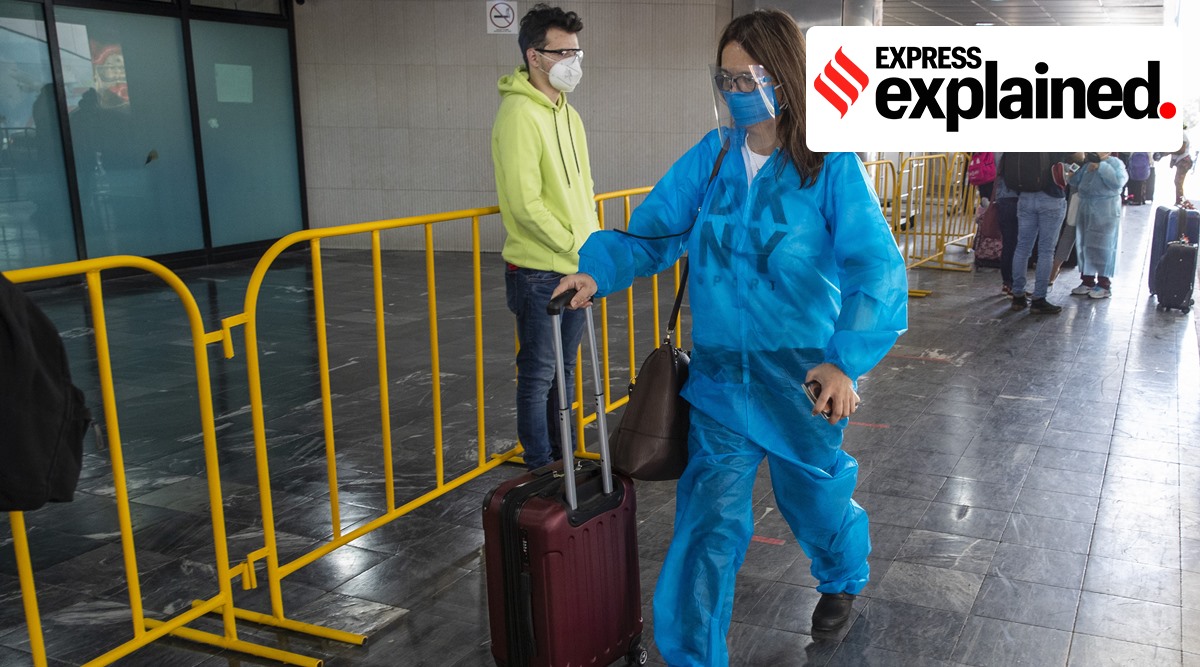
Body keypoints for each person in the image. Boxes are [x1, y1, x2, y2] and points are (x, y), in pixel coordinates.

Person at [553, 10, 908, 664]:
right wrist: (597, 271)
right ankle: (692, 655)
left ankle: (841, 576)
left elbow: (876, 268)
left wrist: (843, 361)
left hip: (803, 384)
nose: (739, 89)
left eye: (754, 76)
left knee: (815, 502)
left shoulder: (829, 167)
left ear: (788, 77)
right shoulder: (712, 156)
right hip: (720, 384)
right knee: (706, 527)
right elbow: (653, 231)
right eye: (728, 77)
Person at [491, 4, 597, 469]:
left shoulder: (567, 113)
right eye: (563, 52)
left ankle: (564, 461)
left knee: (565, 372)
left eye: (577, 50)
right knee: (538, 375)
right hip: (538, 271)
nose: (574, 60)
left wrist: (591, 254)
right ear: (535, 56)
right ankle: (540, 468)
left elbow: (584, 190)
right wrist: (576, 249)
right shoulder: (518, 115)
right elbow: (524, 204)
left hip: (575, 267)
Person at [1006, 152, 1074, 314]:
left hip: (1025, 196)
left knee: (1022, 248)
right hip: (1051, 199)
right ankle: (1039, 299)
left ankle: (1018, 296)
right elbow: (1078, 156)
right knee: (1046, 251)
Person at [1068, 152, 1127, 299]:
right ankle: (1087, 281)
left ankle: (1104, 284)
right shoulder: (1087, 164)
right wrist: (1074, 170)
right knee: (1085, 246)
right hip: (1086, 210)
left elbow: (1118, 182)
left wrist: (1101, 167)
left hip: (1106, 211)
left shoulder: (1115, 163)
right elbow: (1074, 182)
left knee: (1104, 248)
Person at [991, 152, 1021, 297]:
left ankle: (1007, 282)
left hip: (1003, 197)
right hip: (1018, 197)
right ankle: (1015, 284)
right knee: (1019, 245)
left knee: (1008, 243)